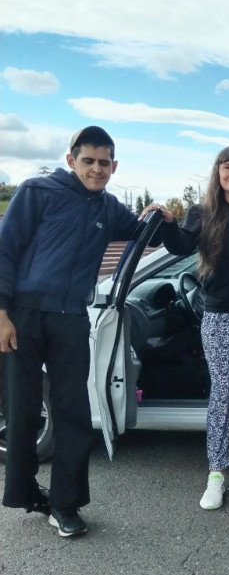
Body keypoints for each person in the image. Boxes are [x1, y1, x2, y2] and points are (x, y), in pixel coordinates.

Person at [0, 126, 144, 537]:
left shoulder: (109, 208)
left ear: (114, 166)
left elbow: (143, 231)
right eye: (88, 161)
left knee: (73, 413)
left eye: (104, 163)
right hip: (23, 316)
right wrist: (2, 314)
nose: (96, 169)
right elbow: (5, 250)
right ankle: (26, 493)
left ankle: (65, 505)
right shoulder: (37, 191)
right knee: (23, 411)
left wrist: (165, 216)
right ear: (71, 160)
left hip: (70, 319)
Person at [141, 148, 229, 510]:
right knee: (222, 391)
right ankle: (216, 472)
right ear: (217, 173)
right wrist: (168, 221)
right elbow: (180, 245)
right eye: (227, 167)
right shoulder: (201, 214)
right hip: (219, 316)